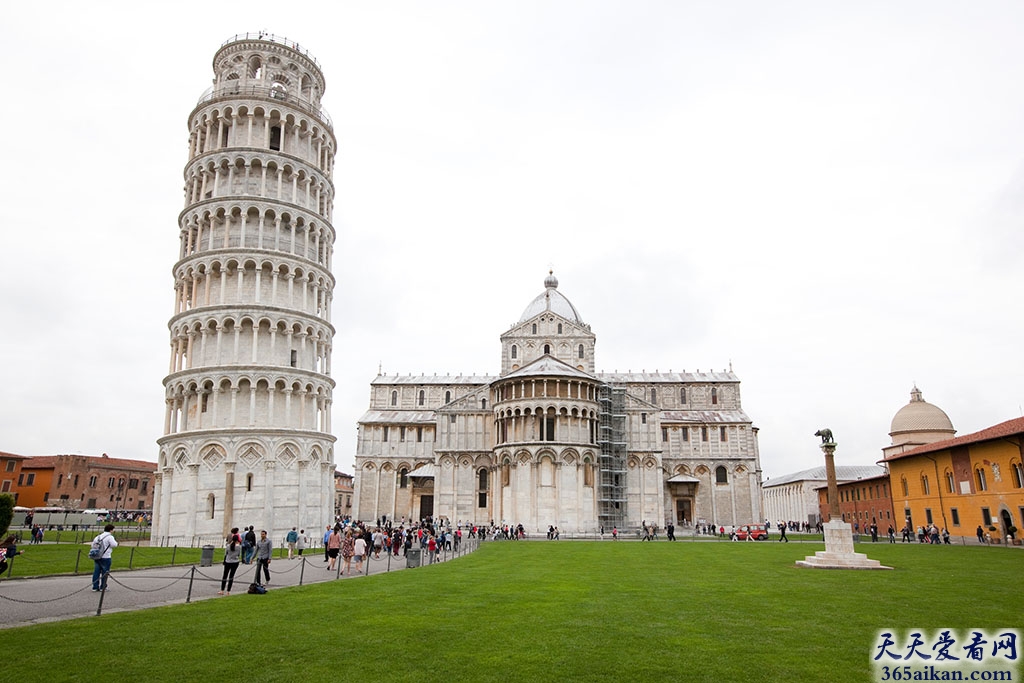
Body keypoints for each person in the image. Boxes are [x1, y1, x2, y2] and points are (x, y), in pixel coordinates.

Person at [91, 524, 118, 592]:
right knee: (105, 572)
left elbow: (93, 545)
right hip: (106, 556)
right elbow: (114, 544)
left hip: (98, 556)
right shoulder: (110, 537)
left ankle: (95, 586)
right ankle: (103, 586)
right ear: (111, 530)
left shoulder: (98, 536)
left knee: (96, 572)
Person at [219, 528, 242, 595]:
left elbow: (226, 554)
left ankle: (222, 590)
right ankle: (228, 591)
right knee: (231, 576)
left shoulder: (228, 546)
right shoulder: (239, 547)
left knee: (225, 575)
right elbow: (238, 554)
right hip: (235, 562)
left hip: (228, 561)